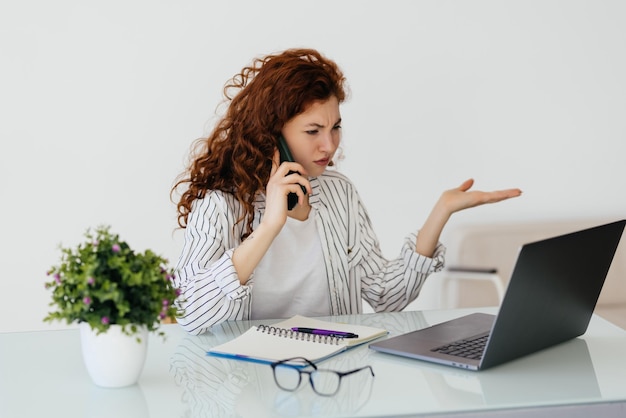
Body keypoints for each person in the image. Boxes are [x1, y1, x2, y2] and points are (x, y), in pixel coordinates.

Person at [171, 48, 521, 335]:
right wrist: (269, 227)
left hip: (334, 379)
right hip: (248, 386)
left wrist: (440, 212)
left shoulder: (339, 194)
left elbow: (386, 295)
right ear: (271, 134)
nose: (330, 145)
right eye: (313, 131)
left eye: (335, 127)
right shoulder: (222, 206)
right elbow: (188, 313)